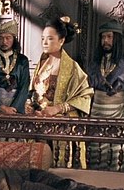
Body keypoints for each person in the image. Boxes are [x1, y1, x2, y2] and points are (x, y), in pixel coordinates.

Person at [26, 16, 94, 168]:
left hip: (59, 126)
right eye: (43, 38)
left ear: (61, 41)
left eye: (50, 39)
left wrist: (57, 108)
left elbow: (84, 96)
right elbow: (33, 91)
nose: (44, 42)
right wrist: (30, 105)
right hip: (39, 122)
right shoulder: (42, 63)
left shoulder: (72, 67)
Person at [86, 20, 124, 172]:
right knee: (96, 157)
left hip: (120, 116)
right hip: (97, 116)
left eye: (109, 37)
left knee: (120, 157)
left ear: (117, 38)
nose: (105, 41)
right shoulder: (94, 64)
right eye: (103, 37)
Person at [0, 20, 30, 114]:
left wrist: (14, 108)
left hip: (16, 109)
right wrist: (1, 107)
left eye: (8, 38)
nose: (4, 41)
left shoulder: (22, 60)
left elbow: (24, 87)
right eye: (0, 38)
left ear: (14, 39)